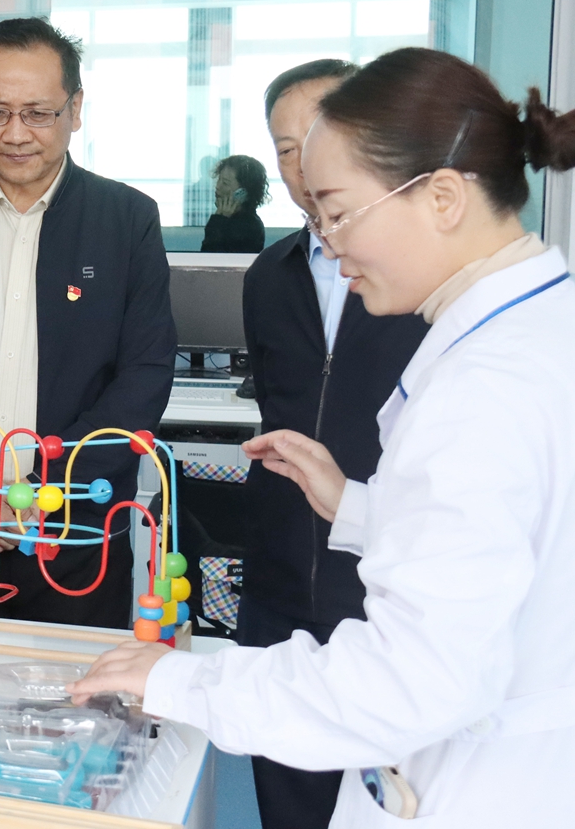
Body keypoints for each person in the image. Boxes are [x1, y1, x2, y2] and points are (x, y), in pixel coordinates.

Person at [72, 46, 575, 827]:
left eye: (340, 212)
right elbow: (520, 543)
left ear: (442, 197)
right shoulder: (537, 330)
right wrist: (358, 507)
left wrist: (178, 681)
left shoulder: (484, 385)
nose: (330, 244)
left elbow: (412, 680)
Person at [0, 18, 175, 628]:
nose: (15, 134)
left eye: (38, 114)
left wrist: (46, 487)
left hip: (79, 529)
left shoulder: (127, 220)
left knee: (78, 686)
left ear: (76, 110)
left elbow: (145, 375)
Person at [235, 60, 428, 829]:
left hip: (386, 587)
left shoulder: (424, 280)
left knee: (396, 803)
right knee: (287, 795)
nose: (303, 165)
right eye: (285, 149)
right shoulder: (268, 276)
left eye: (317, 138)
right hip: (279, 587)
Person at [200, 154, 269, 253]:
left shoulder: (250, 226)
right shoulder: (225, 218)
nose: (217, 186)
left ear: (242, 192)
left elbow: (213, 256)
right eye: (219, 180)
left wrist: (219, 222)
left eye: (225, 183)